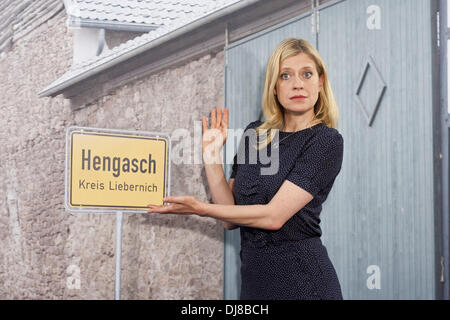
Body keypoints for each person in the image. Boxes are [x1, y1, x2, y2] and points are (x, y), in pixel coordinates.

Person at [147, 38, 344, 300]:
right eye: (285, 76)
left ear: (320, 82)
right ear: (274, 87)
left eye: (307, 74)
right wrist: (211, 156)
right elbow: (230, 218)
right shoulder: (256, 134)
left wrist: (200, 208)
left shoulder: (326, 141)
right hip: (255, 282)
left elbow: (273, 217)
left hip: (303, 282)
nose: (297, 83)